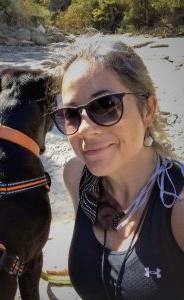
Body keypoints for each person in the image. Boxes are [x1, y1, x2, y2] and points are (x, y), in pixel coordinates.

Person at [50, 35, 184, 300]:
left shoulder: (178, 210)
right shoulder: (76, 176)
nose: (85, 129)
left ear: (148, 110)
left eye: (106, 105)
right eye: (72, 114)